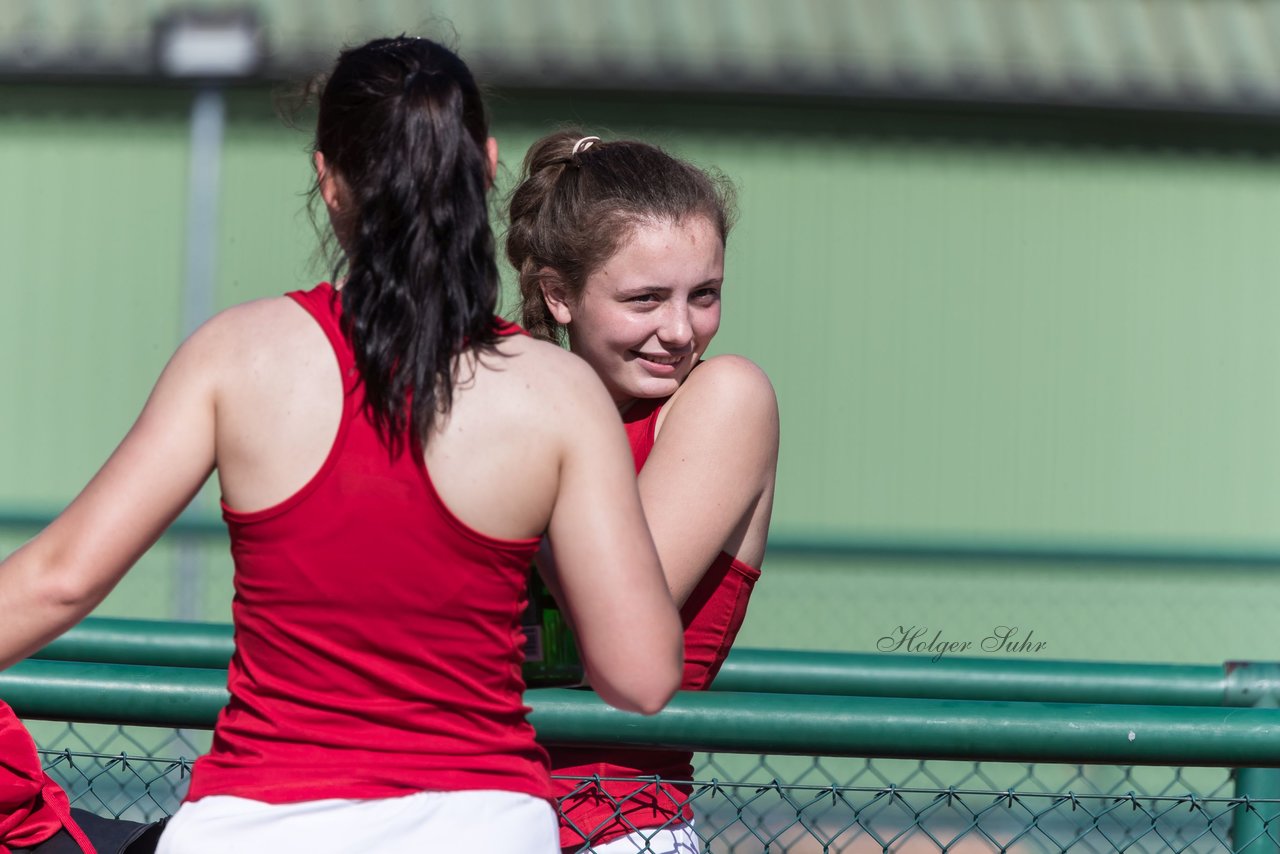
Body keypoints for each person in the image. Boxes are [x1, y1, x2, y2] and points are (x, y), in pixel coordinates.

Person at [0, 38, 683, 854]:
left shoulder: (238, 354)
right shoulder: (557, 392)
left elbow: (57, 583)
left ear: (328, 180)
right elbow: (641, 676)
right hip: (482, 825)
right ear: (487, 165)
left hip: (255, 827)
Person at [507, 132, 780, 853]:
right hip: (464, 807)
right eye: (646, 299)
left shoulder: (724, 398)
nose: (680, 331)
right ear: (558, 295)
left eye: (705, 295)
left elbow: (614, 622)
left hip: (618, 827)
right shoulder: (519, 397)